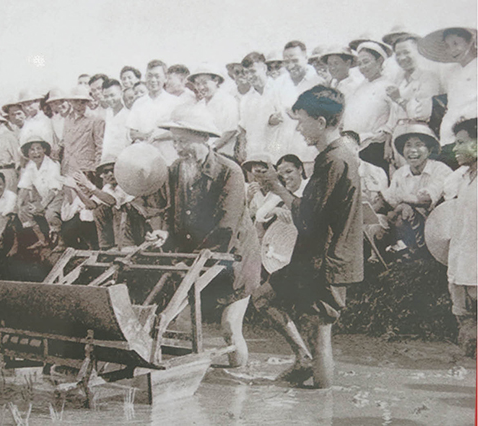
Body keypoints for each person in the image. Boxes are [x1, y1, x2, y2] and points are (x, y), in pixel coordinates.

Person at [253, 85, 363, 388]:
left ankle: (322, 403)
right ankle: (303, 360)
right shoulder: (334, 157)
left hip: (325, 261)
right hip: (315, 257)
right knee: (263, 298)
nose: (298, 129)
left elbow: (309, 219)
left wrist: (278, 188)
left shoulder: (335, 160)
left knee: (319, 333)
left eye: (302, 122)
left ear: (321, 122)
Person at [146, 105, 261, 368]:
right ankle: (187, 373)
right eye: (175, 141)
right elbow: (173, 212)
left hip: (234, 259)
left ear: (204, 138)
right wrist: (164, 232)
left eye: (184, 141)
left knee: (229, 327)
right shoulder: (177, 169)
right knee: (182, 321)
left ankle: (238, 378)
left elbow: (226, 227)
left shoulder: (229, 171)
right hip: (197, 259)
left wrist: (193, 262)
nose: (178, 148)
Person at [374, 123, 452, 257]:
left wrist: (403, 199)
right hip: (411, 224)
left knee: (405, 208)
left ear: (429, 149)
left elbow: (427, 199)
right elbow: (389, 199)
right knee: (390, 214)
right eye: (408, 145)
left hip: (438, 227)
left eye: (419, 145)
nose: (413, 150)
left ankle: (420, 251)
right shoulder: (400, 173)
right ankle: (407, 248)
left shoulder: (440, 169)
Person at [441, 118, 476, 357]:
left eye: (461, 142)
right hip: (462, 261)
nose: (455, 149)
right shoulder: (463, 178)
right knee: (467, 323)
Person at [419, 27, 477, 168]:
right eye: (448, 46)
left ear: (471, 41)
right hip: (448, 133)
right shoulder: (452, 73)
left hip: (471, 133)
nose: (452, 50)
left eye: (456, 43)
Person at [342, 39, 398, 176]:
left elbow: (395, 117)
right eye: (360, 63)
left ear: (379, 61)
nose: (362, 67)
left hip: (375, 147)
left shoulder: (389, 85)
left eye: (366, 62)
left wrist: (388, 142)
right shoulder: (359, 87)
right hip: (355, 146)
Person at [268, 41, 323, 170]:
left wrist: (298, 116)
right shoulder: (279, 83)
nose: (291, 65)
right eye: (286, 62)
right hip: (283, 153)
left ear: (306, 58)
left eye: (294, 60)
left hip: (308, 153)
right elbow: (269, 114)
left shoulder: (318, 83)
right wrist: (271, 119)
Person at [382, 31, 443, 122]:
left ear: (418, 52)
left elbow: (422, 113)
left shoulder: (428, 77)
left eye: (406, 52)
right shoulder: (400, 81)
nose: (402, 58)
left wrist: (399, 99)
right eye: (398, 54)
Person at [17, 135, 64, 250]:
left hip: (58, 197)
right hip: (44, 198)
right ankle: (42, 240)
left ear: (44, 149)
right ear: (28, 153)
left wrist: (41, 206)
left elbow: (54, 190)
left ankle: (61, 242)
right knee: (23, 210)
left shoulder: (52, 164)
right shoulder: (30, 166)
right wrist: (18, 204)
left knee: (50, 214)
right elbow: (24, 187)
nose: (36, 152)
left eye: (38, 148)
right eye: (32, 150)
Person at [188, 64, 240, 160]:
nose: (201, 87)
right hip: (202, 156)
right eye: (197, 84)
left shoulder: (227, 101)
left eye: (204, 83)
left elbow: (231, 130)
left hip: (223, 156)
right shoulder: (199, 105)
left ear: (216, 80)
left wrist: (212, 148)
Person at [239, 52, 277, 159]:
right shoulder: (245, 99)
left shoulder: (278, 89)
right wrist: (242, 150)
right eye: (246, 72)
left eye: (253, 71)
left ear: (264, 68)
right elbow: (243, 129)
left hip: (276, 152)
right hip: (253, 154)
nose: (249, 76)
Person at [60, 85, 105, 177]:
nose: (79, 104)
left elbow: (100, 146)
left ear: (87, 102)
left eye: (83, 101)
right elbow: (65, 141)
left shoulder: (96, 119)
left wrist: (96, 168)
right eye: (76, 101)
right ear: (71, 102)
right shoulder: (68, 118)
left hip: (86, 169)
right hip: (68, 168)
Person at [102, 79, 132, 159]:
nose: (109, 99)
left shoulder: (129, 115)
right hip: (104, 161)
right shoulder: (104, 114)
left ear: (121, 93)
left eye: (112, 95)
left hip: (123, 160)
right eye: (106, 96)